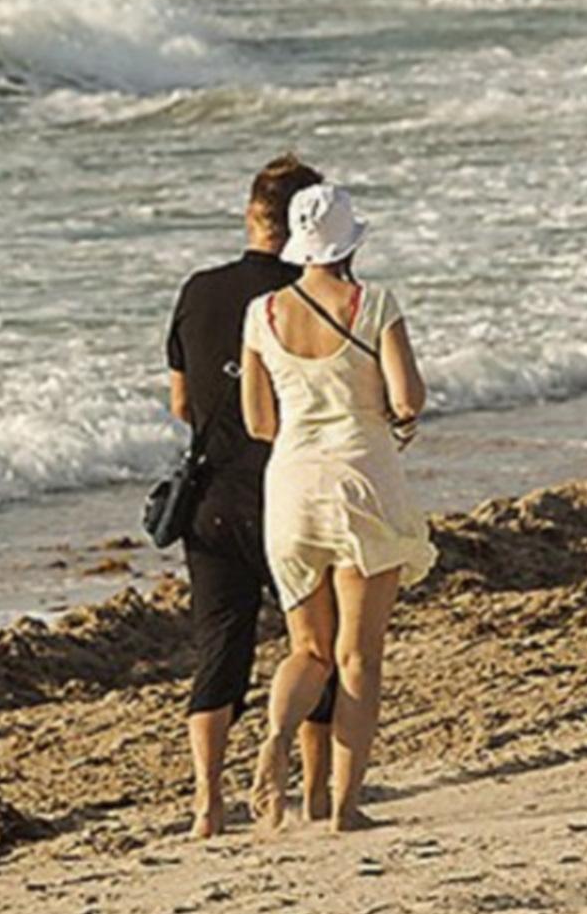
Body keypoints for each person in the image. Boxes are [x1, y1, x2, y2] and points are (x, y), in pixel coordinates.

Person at [237, 179, 432, 833]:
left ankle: (274, 740)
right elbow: (408, 397)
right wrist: (387, 413)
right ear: (349, 243)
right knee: (357, 658)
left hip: (289, 487)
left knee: (307, 650)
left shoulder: (261, 313)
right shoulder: (373, 302)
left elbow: (258, 420)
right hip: (362, 483)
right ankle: (346, 807)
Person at [161, 151, 330, 839]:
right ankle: (315, 795)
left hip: (212, 499)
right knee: (316, 645)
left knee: (218, 648)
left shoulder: (197, 290)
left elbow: (181, 404)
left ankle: (208, 803)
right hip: (290, 491)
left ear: (249, 217)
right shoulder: (314, 296)